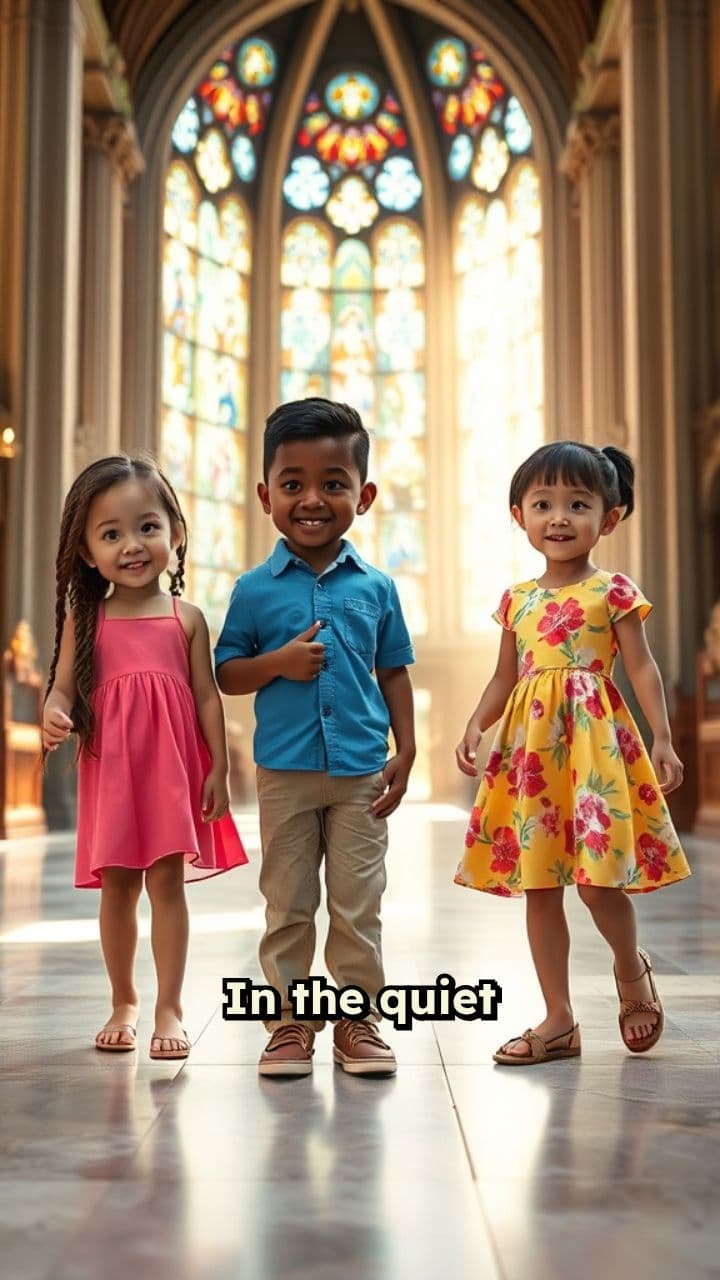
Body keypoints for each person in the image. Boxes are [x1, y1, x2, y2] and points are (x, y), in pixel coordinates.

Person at [454, 441, 690, 1065]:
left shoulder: (612, 591)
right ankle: (558, 1018)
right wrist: (477, 725)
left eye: (577, 504)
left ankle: (629, 968)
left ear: (608, 519)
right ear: (519, 515)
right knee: (539, 885)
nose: (559, 517)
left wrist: (662, 737)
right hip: (532, 754)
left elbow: (641, 667)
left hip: (594, 748)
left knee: (596, 884)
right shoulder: (516, 600)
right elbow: (505, 677)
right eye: (543, 504)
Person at [215, 398, 416, 1077]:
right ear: (267, 494)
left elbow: (394, 672)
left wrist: (407, 748)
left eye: (333, 483)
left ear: (363, 495)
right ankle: (289, 1023)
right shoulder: (252, 590)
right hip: (286, 773)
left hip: (362, 770)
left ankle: (358, 1021)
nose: (312, 498)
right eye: (293, 483)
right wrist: (279, 663)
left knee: (359, 902)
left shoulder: (379, 588)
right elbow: (228, 674)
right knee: (289, 901)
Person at [42, 455, 247, 1060]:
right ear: (86, 551)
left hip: (170, 773)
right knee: (118, 888)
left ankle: (170, 1006)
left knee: (166, 883)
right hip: (112, 772)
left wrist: (220, 767)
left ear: (175, 533)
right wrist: (54, 713)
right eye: (111, 534)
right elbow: (61, 689)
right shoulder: (88, 618)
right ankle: (124, 998)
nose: (132, 545)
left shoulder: (187, 619)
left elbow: (207, 698)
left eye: (147, 527)